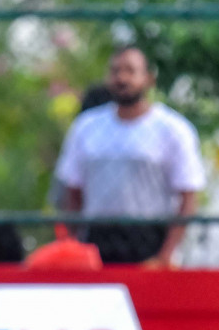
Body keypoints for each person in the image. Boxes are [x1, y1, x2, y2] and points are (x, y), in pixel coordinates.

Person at [53, 46, 205, 266]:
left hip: (150, 238)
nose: (122, 78)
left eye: (130, 71)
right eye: (115, 71)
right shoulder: (86, 127)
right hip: (97, 240)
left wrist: (165, 256)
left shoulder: (173, 129)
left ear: (148, 78)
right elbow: (72, 192)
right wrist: (75, 247)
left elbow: (188, 197)